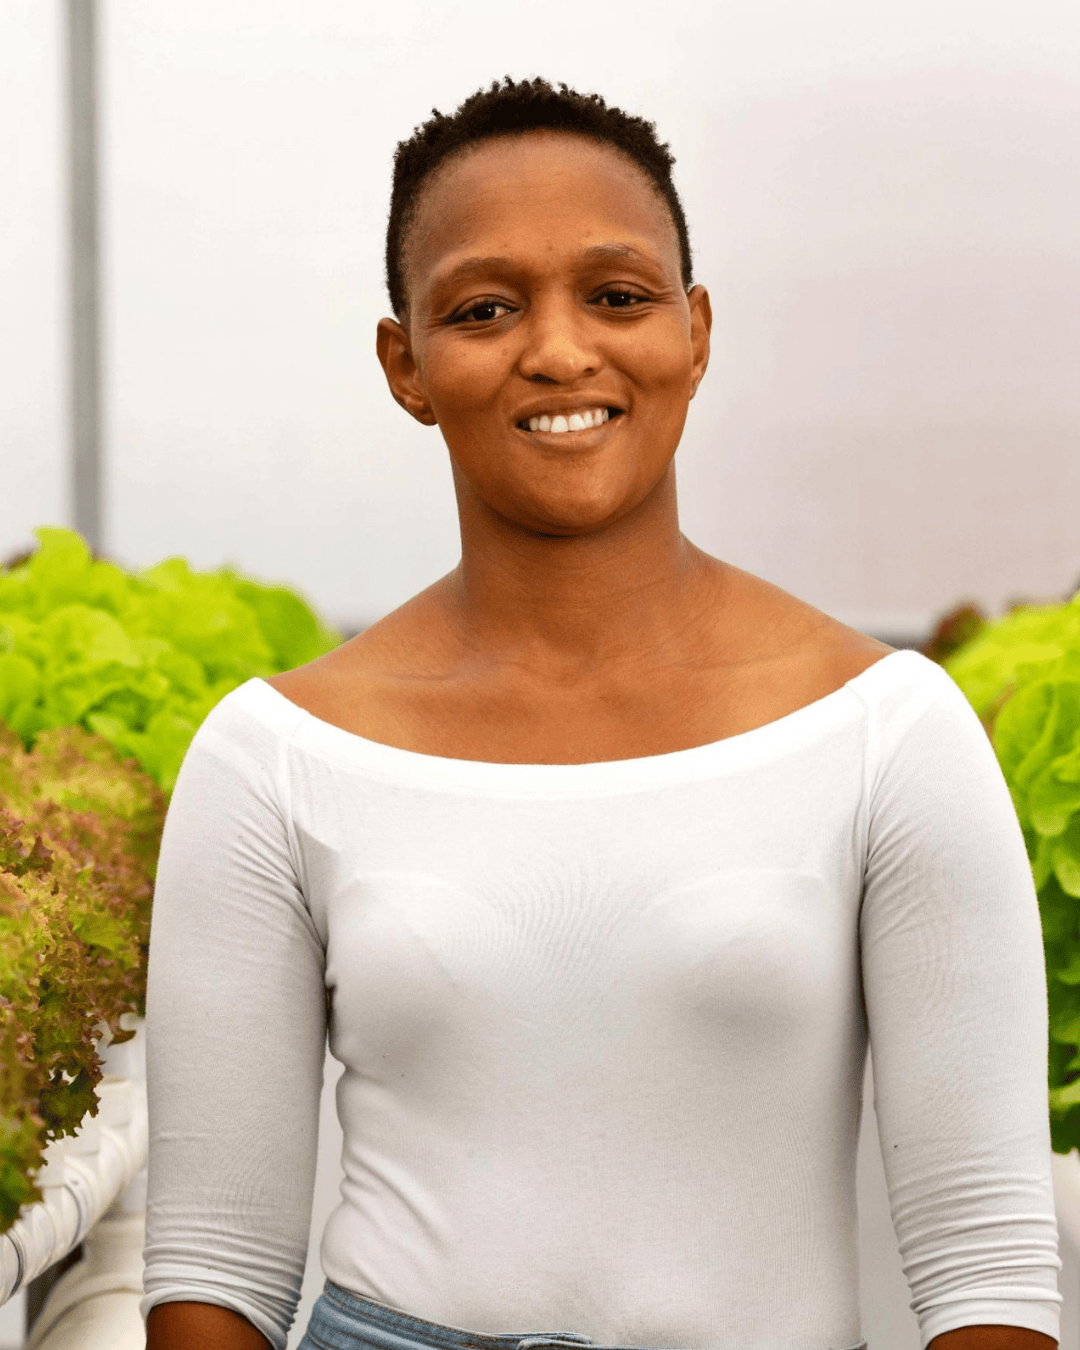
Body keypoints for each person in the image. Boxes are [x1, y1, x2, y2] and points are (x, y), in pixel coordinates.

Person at [141, 77, 1062, 1350]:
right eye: (485, 308)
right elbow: (214, 1268)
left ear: (695, 330)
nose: (562, 351)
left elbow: (988, 1267)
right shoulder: (273, 757)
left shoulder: (886, 733)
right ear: (406, 366)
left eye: (618, 296)